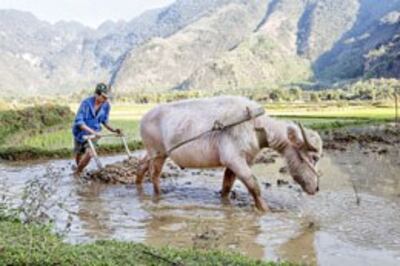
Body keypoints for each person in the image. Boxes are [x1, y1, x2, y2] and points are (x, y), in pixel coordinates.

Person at [72, 83, 122, 174]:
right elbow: (79, 122)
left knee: (90, 153)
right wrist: (93, 132)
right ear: (96, 94)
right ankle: (79, 168)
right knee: (79, 153)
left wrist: (114, 130)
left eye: (106, 97)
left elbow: (104, 121)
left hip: (94, 133)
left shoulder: (106, 106)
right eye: (103, 97)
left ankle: (77, 173)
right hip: (80, 133)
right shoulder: (86, 104)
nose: (105, 99)